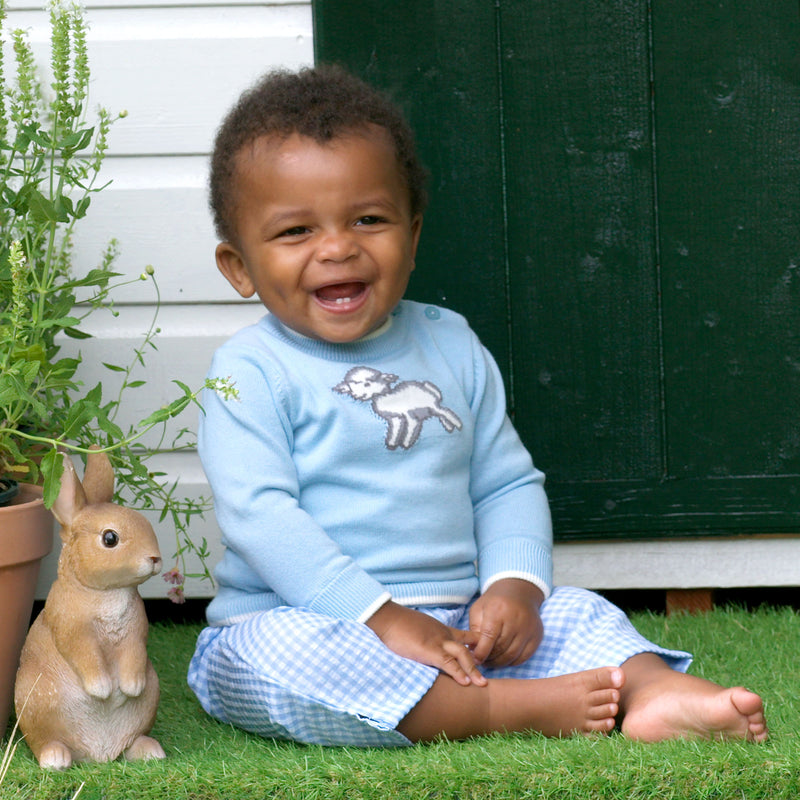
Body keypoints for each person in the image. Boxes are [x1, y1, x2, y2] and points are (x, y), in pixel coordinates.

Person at [187, 65, 767, 747]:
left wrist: (515, 590)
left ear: (413, 232)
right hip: (311, 620)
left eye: (368, 219)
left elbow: (505, 483)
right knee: (272, 659)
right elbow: (263, 521)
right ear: (238, 266)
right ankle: (500, 710)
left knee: (577, 612)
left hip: (461, 624)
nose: (337, 247)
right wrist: (384, 620)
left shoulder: (449, 343)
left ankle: (656, 693)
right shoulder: (249, 370)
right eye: (295, 232)